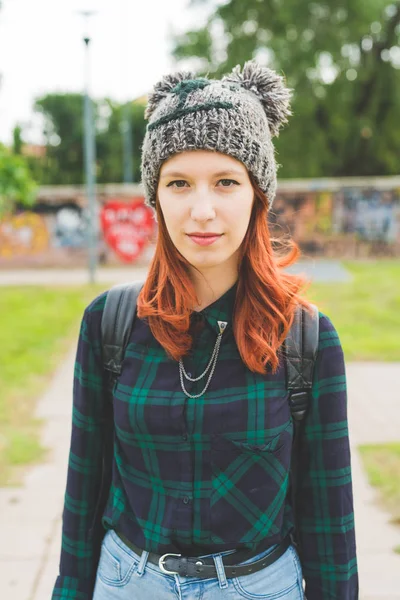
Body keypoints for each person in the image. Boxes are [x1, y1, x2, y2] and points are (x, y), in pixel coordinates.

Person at [52, 61, 358, 600]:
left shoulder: (306, 338)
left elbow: (328, 512)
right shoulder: (110, 325)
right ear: (156, 196)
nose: (202, 210)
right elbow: (85, 487)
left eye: (225, 181)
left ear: (256, 193)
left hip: (260, 586)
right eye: (178, 183)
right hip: (127, 582)